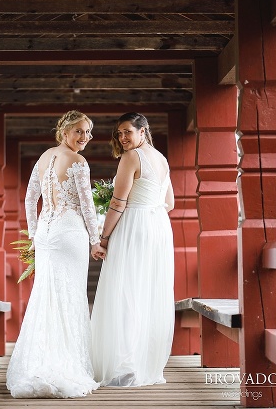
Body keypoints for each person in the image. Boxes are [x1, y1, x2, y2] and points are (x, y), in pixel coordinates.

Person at [6, 110, 104, 398]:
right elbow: (87, 206)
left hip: (47, 236)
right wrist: (96, 241)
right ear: (64, 132)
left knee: (46, 296)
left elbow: (29, 198)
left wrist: (35, 234)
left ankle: (41, 362)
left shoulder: (44, 157)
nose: (85, 137)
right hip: (70, 233)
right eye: (79, 132)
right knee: (70, 295)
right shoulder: (78, 162)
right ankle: (67, 364)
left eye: (88, 132)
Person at [91, 112, 175, 387]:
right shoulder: (161, 159)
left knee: (126, 290)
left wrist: (103, 238)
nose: (123, 138)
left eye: (127, 131)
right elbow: (170, 202)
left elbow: (118, 203)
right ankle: (144, 363)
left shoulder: (131, 157)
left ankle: (125, 366)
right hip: (159, 228)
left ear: (143, 131)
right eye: (119, 133)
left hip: (135, 227)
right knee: (149, 291)